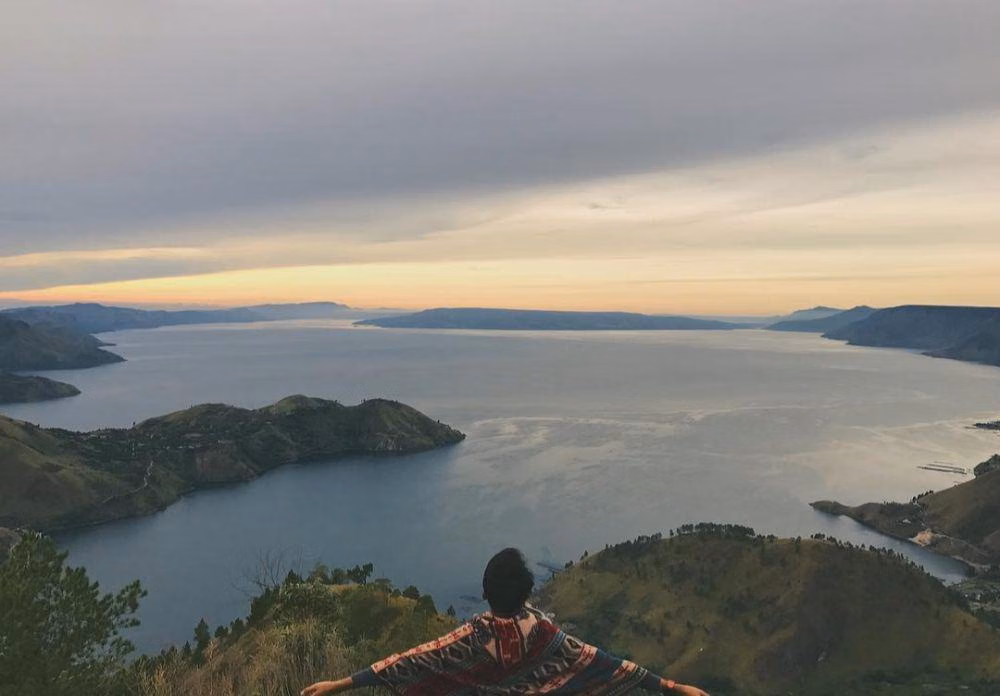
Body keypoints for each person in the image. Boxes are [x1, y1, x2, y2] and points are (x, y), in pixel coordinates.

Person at [302, 548, 710, 696]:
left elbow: (411, 661)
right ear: (527, 593)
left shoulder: (471, 637)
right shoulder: (548, 635)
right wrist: (674, 687)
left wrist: (339, 685)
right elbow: (606, 662)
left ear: (484, 591)